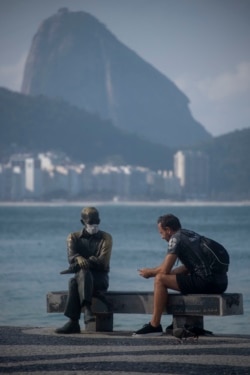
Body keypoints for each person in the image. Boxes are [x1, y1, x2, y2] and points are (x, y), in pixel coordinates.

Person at [133, 213, 229, 336]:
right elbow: (186, 268)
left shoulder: (175, 238)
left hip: (206, 282)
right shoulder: (191, 235)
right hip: (221, 283)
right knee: (173, 278)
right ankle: (190, 325)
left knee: (159, 280)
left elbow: (164, 270)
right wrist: (170, 276)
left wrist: (150, 272)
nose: (161, 237)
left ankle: (154, 325)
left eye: (161, 232)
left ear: (168, 230)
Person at [55, 207, 113, 334]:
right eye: (91, 223)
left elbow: (102, 262)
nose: (94, 226)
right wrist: (78, 258)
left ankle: (74, 320)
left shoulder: (106, 238)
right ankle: (84, 311)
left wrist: (83, 261)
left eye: (97, 223)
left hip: (100, 280)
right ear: (83, 223)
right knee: (75, 280)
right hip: (82, 279)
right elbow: (71, 258)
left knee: (77, 277)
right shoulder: (73, 237)